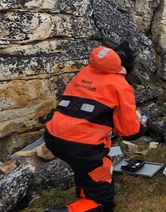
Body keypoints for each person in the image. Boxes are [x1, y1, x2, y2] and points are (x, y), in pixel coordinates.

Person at [44, 41, 145, 212]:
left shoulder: (84, 73)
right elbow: (129, 132)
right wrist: (141, 126)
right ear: (126, 66)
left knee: (84, 168)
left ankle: (85, 195)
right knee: (103, 202)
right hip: (81, 145)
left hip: (53, 135)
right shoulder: (120, 85)